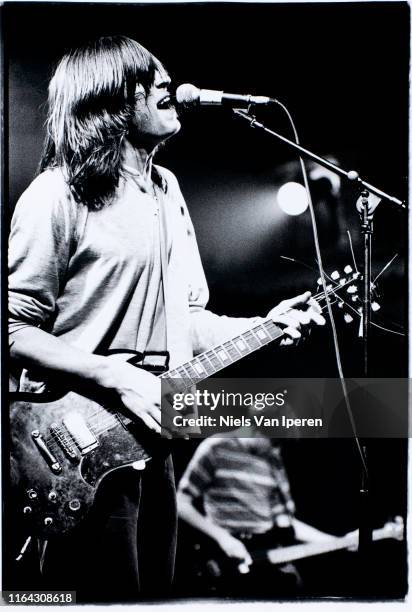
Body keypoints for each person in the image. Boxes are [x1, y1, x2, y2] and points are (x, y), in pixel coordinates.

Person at [8, 35, 325, 602]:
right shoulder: (56, 194)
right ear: (106, 95)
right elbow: (12, 332)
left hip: (152, 445)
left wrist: (267, 323)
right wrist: (118, 375)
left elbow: (189, 321)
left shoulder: (168, 191)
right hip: (70, 449)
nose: (166, 83)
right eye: (146, 75)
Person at [177, 425, 336, 597]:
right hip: (223, 555)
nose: (276, 448)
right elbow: (181, 502)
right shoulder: (217, 446)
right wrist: (223, 538)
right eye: (274, 442)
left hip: (264, 551)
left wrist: (337, 542)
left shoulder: (272, 460)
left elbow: (286, 522)